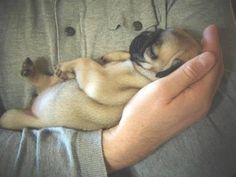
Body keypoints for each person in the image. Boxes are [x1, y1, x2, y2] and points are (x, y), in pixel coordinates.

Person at [0, 0, 235, 177]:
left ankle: (41, 83)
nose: (147, 42)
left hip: (46, 117)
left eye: (152, 50)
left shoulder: (137, 85)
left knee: (9, 120)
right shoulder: (147, 71)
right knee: (48, 91)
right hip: (58, 102)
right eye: (155, 35)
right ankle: (41, 82)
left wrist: (78, 64)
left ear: (166, 74)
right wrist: (119, 146)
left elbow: (97, 86)